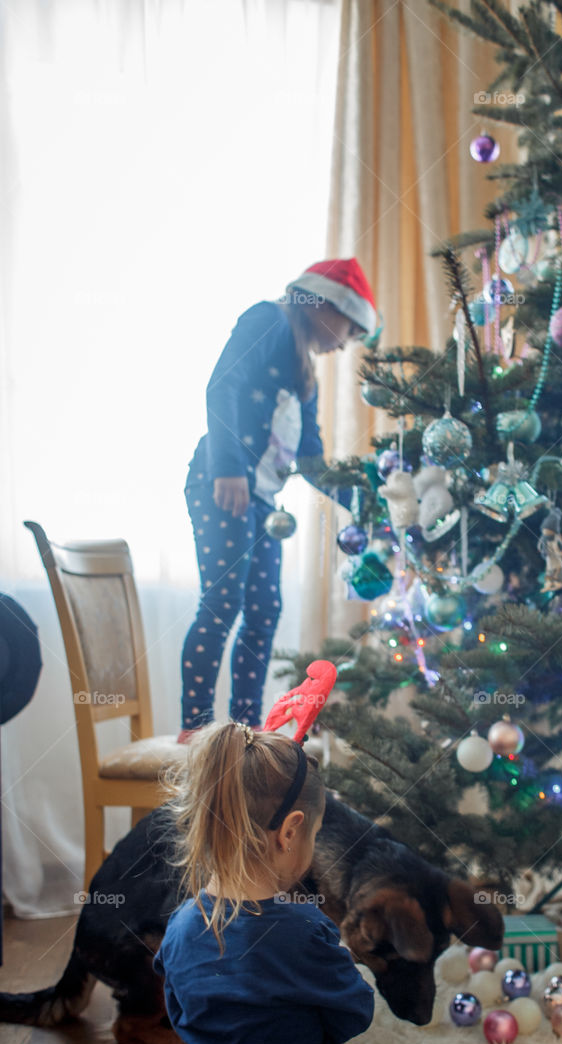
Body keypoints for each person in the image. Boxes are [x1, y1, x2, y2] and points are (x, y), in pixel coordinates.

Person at [143, 723, 442, 1044]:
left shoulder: (182, 925)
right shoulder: (307, 931)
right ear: (290, 832)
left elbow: (182, 1013)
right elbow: (353, 1017)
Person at [178, 259, 376, 741]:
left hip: (263, 503)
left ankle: (244, 727)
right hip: (220, 484)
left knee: (266, 607)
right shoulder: (266, 319)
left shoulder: (307, 372)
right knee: (223, 599)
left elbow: (312, 459)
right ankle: (195, 726)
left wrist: (366, 501)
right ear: (326, 306)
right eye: (350, 330)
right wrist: (228, 467)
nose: (346, 343)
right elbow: (222, 387)